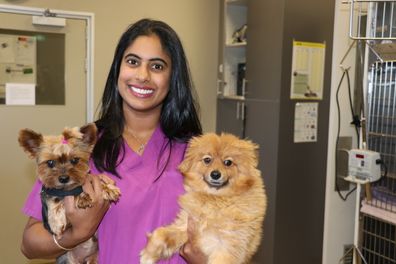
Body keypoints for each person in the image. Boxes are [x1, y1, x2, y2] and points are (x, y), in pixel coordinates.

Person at [21, 18, 208, 263]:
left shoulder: (200, 152)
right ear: (118, 69)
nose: (142, 75)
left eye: (157, 66)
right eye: (132, 62)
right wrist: (77, 234)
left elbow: (235, 234)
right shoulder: (80, 149)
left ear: (173, 77)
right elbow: (29, 244)